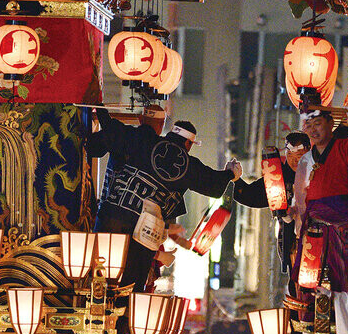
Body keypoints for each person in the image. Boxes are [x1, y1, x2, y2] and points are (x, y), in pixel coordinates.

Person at [90, 107, 242, 291]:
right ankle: (122, 312)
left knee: (95, 272)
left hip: (112, 216)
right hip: (142, 233)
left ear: (168, 132)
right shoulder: (188, 166)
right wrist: (230, 173)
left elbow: (114, 131)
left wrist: (100, 109)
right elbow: (213, 185)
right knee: (129, 288)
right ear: (189, 144)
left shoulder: (144, 140)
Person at [289, 107, 348, 334]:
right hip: (314, 221)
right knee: (307, 277)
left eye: (318, 123)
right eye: (309, 126)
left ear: (330, 124)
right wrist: (294, 217)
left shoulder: (344, 146)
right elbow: (301, 198)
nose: (313, 130)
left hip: (343, 216)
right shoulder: (307, 160)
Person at [233, 131, 311, 274]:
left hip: (320, 230)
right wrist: (235, 179)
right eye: (290, 156)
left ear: (308, 153)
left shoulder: (316, 170)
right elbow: (249, 195)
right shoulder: (277, 176)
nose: (294, 161)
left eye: (299, 156)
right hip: (291, 241)